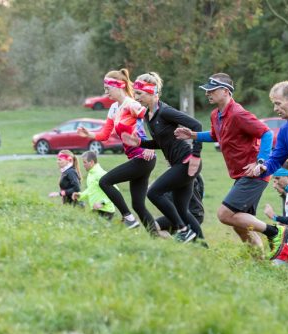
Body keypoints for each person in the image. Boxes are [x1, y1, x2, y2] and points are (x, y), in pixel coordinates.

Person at [174, 73, 281, 257]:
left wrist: (261, 162)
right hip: (240, 175)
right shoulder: (216, 115)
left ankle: (274, 232)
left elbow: (266, 133)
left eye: (212, 89)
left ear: (225, 91)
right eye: (207, 90)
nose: (208, 93)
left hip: (254, 174)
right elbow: (216, 135)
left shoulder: (239, 114)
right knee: (240, 226)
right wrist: (193, 135)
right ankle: (260, 263)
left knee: (225, 215)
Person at [121, 72, 205, 244]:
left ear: (152, 92)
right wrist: (140, 143)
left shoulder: (165, 112)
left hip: (187, 162)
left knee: (153, 192)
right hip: (179, 163)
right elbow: (161, 143)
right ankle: (203, 247)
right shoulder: (148, 116)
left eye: (139, 94)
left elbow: (197, 125)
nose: (136, 97)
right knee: (182, 210)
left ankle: (182, 230)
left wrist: (196, 155)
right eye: (135, 94)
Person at [77, 69, 157, 230]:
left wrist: (152, 145)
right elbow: (105, 134)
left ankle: (128, 218)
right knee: (138, 205)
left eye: (108, 88)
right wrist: (89, 134)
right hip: (136, 159)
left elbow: (155, 120)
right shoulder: (114, 108)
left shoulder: (132, 104)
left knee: (104, 181)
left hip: (143, 157)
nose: (106, 93)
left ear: (119, 86)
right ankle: (154, 235)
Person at [243, 81, 288, 252]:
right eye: (273, 104)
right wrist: (263, 168)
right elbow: (276, 159)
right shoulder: (284, 131)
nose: (275, 108)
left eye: (278, 103)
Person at [72, 150, 117, 220]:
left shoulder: (100, 174)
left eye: (85, 162)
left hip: (106, 210)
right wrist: (80, 195)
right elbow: (91, 190)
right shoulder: (91, 174)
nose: (83, 165)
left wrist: (102, 203)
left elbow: (116, 191)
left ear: (92, 162)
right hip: (96, 209)